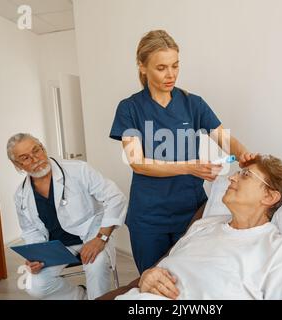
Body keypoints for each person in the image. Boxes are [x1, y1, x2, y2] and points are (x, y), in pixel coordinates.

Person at [109, 30, 254, 274]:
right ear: (142, 67)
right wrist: (189, 166)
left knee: (191, 278)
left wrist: (245, 156)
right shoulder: (130, 108)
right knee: (153, 282)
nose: (171, 74)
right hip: (149, 217)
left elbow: (225, 139)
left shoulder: (192, 103)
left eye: (175, 66)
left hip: (191, 212)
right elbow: (137, 162)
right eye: (161, 67)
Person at [115, 154, 282, 300]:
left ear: (269, 196)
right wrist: (147, 277)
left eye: (245, 175)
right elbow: (163, 268)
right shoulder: (203, 226)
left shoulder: (279, 250)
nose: (232, 177)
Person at [7, 133, 127, 300]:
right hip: (57, 247)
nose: (35, 159)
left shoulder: (78, 169)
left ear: (43, 147)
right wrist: (37, 256)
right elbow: (30, 230)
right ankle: (82, 296)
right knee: (35, 286)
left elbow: (115, 197)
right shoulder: (21, 195)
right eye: (25, 158)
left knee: (96, 264)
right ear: (17, 165)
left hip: (92, 235)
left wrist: (101, 238)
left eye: (36, 150)